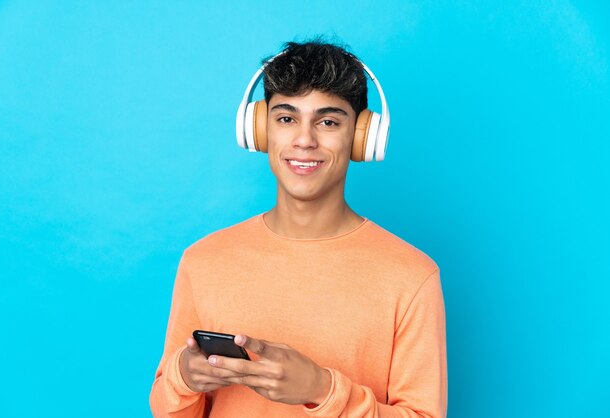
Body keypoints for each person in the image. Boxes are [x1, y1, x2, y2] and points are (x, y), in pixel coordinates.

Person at [149, 40, 447, 418]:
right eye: (287, 118)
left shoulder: (412, 276)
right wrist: (183, 379)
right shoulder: (203, 260)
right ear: (259, 130)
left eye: (328, 122)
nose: (305, 140)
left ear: (361, 136)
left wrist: (320, 389)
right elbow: (167, 408)